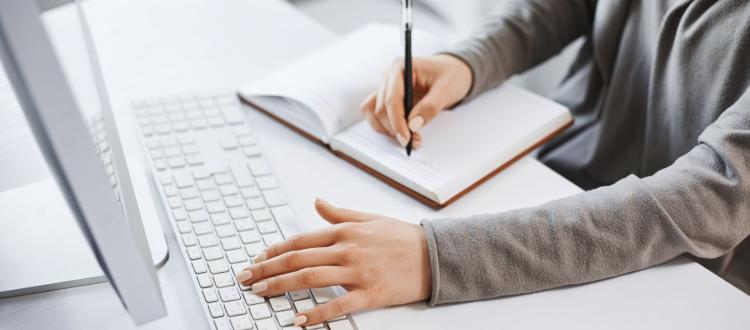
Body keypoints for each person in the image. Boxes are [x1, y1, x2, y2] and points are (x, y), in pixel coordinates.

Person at [235, 0, 750, 327]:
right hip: (547, 191)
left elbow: (707, 197)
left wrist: (433, 256)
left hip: (682, 277)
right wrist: (468, 62)